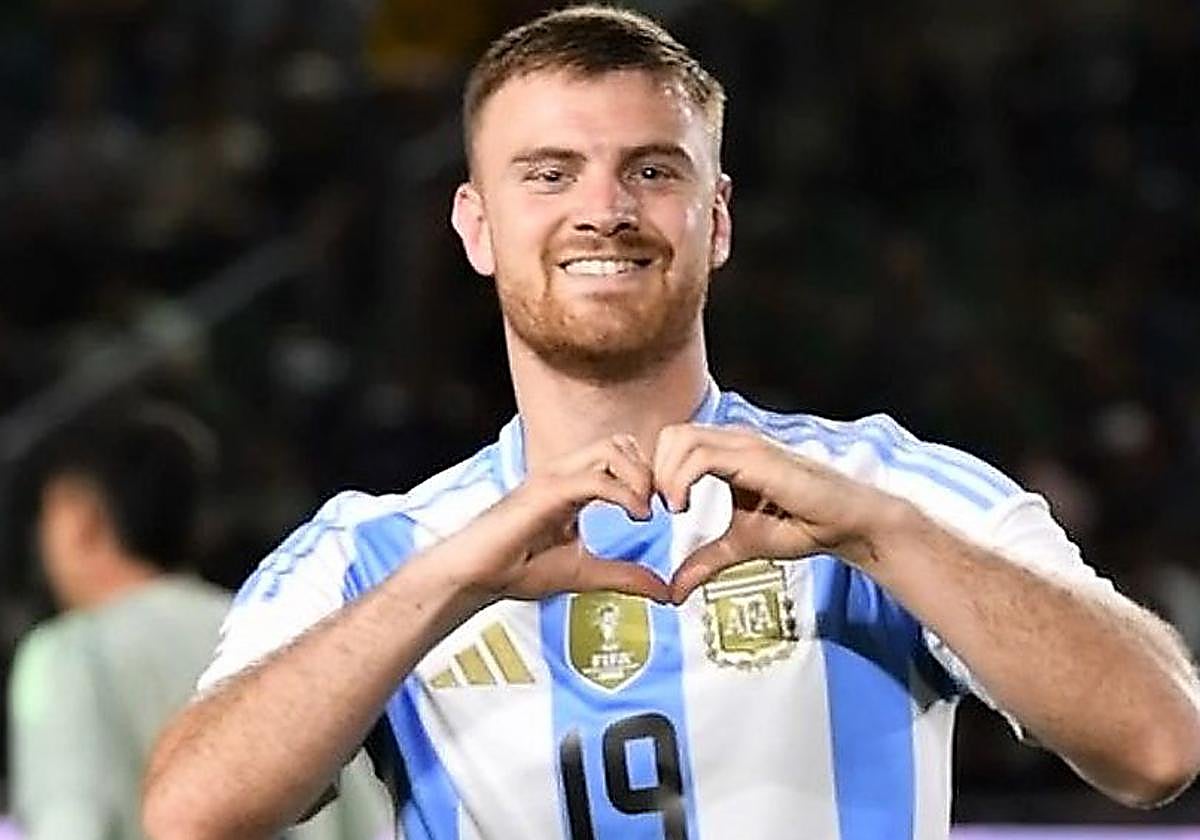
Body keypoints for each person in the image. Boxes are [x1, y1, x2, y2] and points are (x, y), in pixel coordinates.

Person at [142, 7, 1200, 840]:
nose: (604, 208)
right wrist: (450, 583)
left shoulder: (886, 490)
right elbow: (188, 816)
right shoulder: (378, 550)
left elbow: (1163, 743)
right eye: (549, 174)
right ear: (476, 225)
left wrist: (882, 539)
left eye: (652, 170)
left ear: (719, 219)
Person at [7, 402, 390, 840]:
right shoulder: (283, 626)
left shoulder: (66, 651)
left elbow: (68, 823)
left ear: (78, 517)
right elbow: (373, 818)